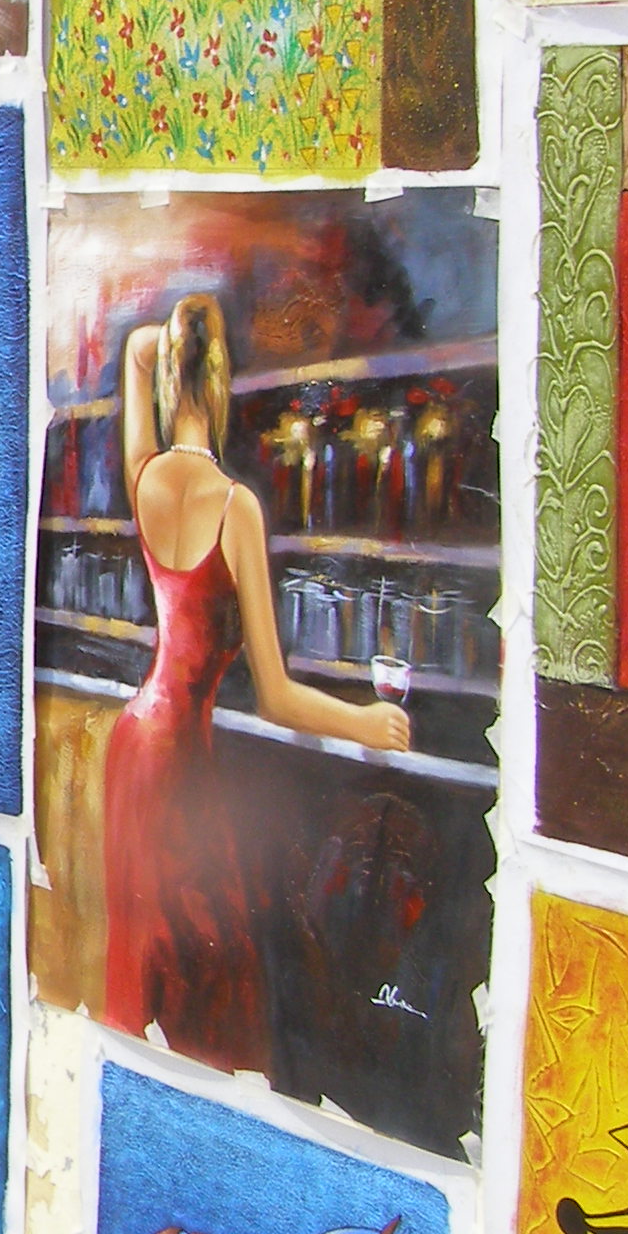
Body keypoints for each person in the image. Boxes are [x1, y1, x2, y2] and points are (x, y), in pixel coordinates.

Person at [100, 296, 409, 1069]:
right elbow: (276, 696)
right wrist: (368, 723)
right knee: (215, 961)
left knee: (148, 959)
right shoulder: (236, 507)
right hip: (180, 766)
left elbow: (136, 355)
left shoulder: (144, 477)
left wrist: (165, 345)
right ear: (226, 382)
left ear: (172, 379)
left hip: (134, 747)